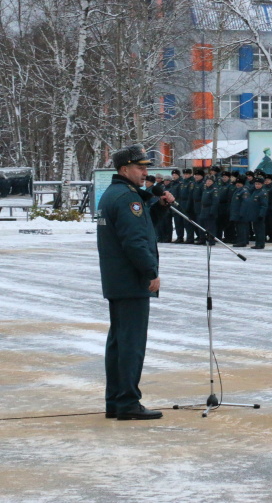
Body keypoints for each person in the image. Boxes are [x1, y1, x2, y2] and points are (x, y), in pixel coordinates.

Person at [96, 145, 174, 421]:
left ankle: (116, 401)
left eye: (146, 168)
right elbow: (135, 241)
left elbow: (140, 228)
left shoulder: (114, 194)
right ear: (124, 169)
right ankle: (128, 402)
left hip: (118, 280)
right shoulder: (130, 200)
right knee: (131, 343)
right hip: (130, 280)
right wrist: (150, 273)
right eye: (140, 168)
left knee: (119, 341)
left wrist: (161, 208)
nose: (145, 173)